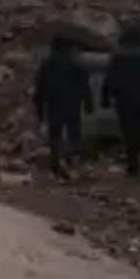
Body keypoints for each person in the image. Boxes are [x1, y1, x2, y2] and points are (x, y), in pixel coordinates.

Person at [101, 27, 140, 177]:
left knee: (130, 133)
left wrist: (105, 99)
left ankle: (133, 166)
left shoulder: (119, 56)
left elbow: (109, 79)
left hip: (125, 100)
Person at [33, 36, 94, 178]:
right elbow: (84, 85)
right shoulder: (75, 62)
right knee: (74, 134)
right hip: (73, 103)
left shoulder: (47, 63)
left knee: (55, 136)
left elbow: (40, 88)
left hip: (54, 104)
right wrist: (88, 104)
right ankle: (72, 162)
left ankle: (56, 166)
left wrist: (39, 108)